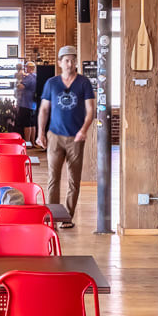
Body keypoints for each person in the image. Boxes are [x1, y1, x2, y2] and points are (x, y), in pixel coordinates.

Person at [37, 45, 96, 227]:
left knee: (74, 180)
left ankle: (67, 217)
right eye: (66, 60)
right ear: (60, 63)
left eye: (72, 60)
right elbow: (44, 110)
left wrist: (83, 130)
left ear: (76, 62)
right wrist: (41, 133)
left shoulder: (84, 83)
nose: (70, 63)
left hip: (75, 138)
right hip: (54, 136)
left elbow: (91, 110)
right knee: (53, 178)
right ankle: (52, 218)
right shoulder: (51, 83)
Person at [15, 63, 38, 147]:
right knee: (32, 123)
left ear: (29, 68)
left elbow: (21, 86)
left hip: (25, 103)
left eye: (26, 67)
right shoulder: (36, 76)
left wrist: (18, 82)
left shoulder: (29, 77)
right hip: (33, 104)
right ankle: (33, 142)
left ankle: (27, 143)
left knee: (26, 124)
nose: (25, 68)